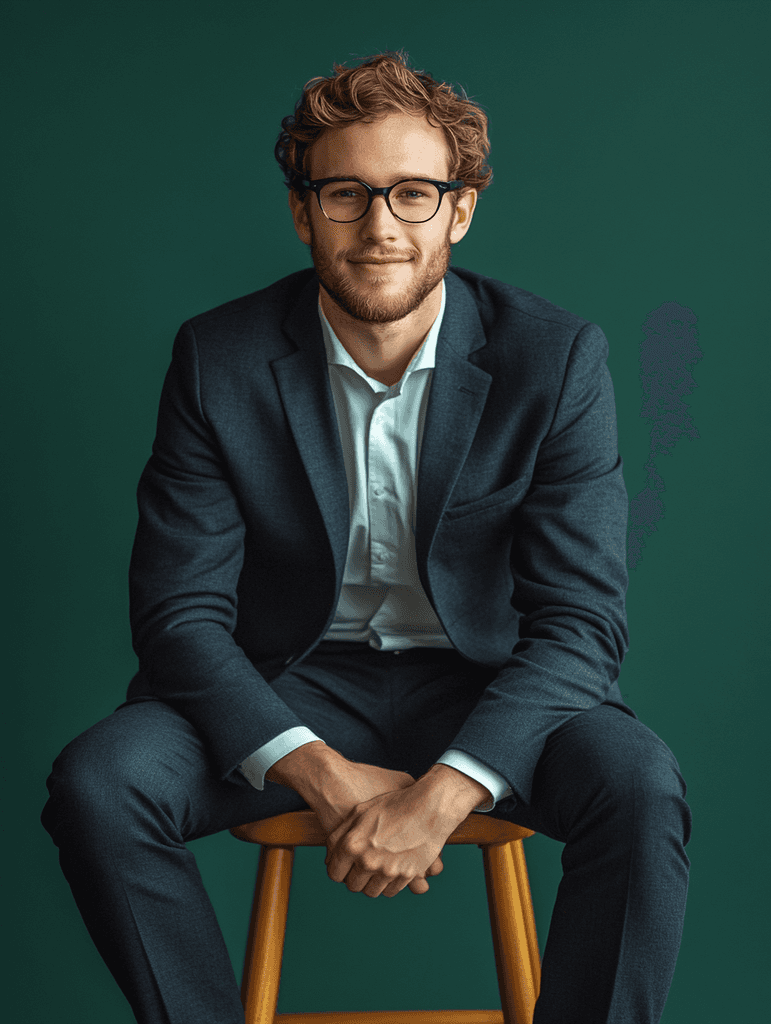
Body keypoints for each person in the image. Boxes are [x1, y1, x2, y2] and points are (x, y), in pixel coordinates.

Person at [42, 51, 691, 1024]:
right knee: (98, 784)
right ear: (304, 212)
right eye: (345, 193)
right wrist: (322, 773)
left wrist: (439, 798)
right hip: (287, 682)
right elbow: (178, 616)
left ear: (459, 211)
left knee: (641, 788)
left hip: (486, 688)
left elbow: (581, 625)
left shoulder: (553, 360)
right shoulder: (218, 360)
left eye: (413, 194)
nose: (380, 226)